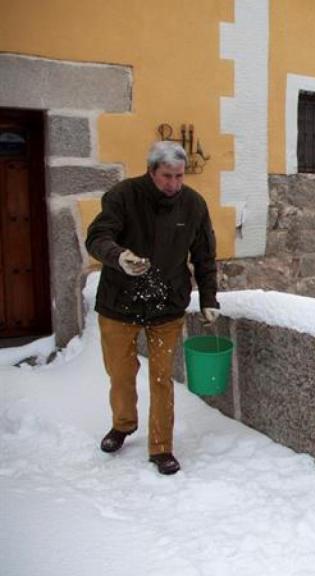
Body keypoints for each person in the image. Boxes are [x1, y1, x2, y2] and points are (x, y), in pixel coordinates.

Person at [85, 141, 220, 475]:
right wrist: (118, 257)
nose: (173, 184)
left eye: (179, 176)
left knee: (162, 378)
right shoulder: (123, 196)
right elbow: (97, 236)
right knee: (120, 372)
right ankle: (123, 423)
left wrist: (208, 299)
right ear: (151, 171)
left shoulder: (193, 204)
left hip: (167, 302)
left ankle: (161, 447)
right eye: (166, 176)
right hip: (120, 300)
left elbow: (204, 255)